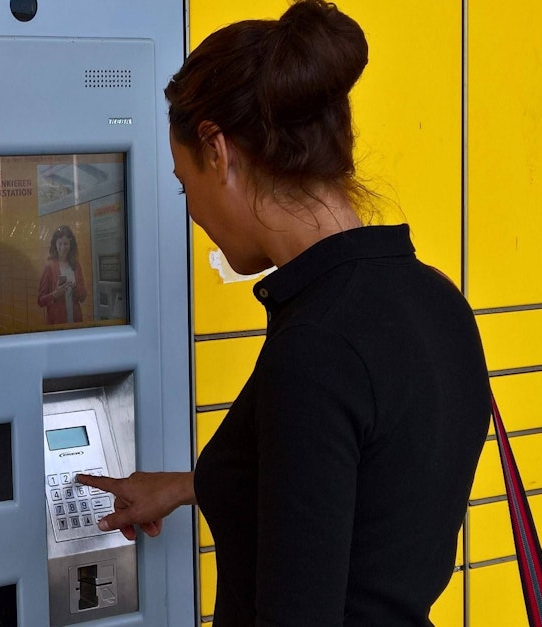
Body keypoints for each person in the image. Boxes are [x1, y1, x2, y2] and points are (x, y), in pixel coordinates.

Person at [74, 2, 491, 625]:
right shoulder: (433, 300)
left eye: (185, 185)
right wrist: (194, 484)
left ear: (218, 151)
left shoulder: (318, 346)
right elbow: (356, 485)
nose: (192, 214)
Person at [37, 225, 90, 324]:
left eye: (66, 244)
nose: (62, 248)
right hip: (56, 321)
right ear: (55, 245)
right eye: (59, 244)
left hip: (75, 320)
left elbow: (83, 297)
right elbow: (40, 301)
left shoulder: (76, 265)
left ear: (71, 245)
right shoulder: (49, 267)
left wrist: (75, 289)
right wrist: (55, 294)